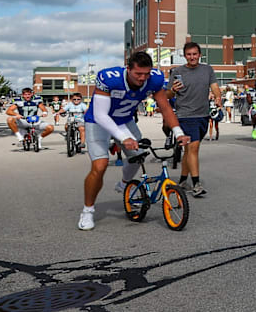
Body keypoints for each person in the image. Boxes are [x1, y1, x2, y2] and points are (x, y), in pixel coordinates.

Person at [79, 51, 189, 231]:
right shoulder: (110, 78)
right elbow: (100, 115)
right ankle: (88, 210)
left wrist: (178, 133)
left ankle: (124, 184)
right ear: (128, 69)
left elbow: (165, 107)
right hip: (98, 121)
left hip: (124, 120)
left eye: (146, 74)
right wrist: (123, 138)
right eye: (138, 74)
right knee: (100, 166)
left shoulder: (153, 78)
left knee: (139, 156)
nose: (142, 78)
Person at [165, 42, 221, 197]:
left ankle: (182, 180)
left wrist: (218, 97)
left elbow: (215, 86)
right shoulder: (178, 71)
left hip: (203, 115)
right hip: (186, 116)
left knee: (189, 151)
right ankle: (196, 184)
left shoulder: (207, 69)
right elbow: (167, 95)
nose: (192, 57)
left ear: (199, 55)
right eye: (189, 54)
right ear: (184, 56)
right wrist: (173, 90)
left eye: (194, 54)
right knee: (194, 148)